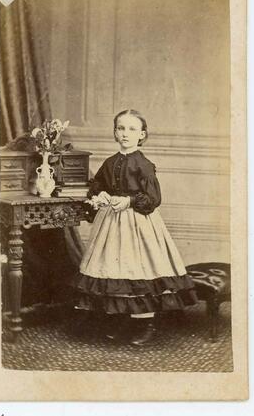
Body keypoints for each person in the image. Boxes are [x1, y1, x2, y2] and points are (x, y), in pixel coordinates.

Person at [73, 109, 197, 345]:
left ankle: (145, 323)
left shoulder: (144, 164)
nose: (125, 133)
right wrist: (100, 195)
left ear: (142, 135)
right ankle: (124, 320)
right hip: (111, 224)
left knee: (139, 269)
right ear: (114, 133)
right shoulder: (110, 162)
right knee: (114, 269)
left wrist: (128, 201)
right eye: (121, 128)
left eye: (132, 129)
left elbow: (152, 198)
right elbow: (97, 184)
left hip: (139, 224)